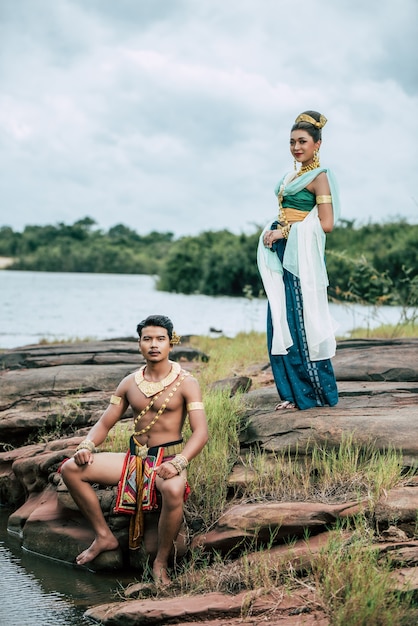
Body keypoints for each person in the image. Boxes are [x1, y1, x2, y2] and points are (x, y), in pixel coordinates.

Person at [60, 314, 208, 585]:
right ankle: (104, 536)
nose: (154, 344)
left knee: (174, 489)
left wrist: (180, 462)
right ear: (139, 344)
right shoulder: (129, 383)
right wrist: (86, 445)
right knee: (71, 469)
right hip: (135, 458)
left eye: (160, 339)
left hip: (170, 457)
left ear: (170, 343)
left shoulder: (187, 382)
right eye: (147, 338)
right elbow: (105, 422)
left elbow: (201, 432)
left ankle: (160, 562)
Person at [257, 110, 341, 411]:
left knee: (299, 324)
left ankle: (313, 395)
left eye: (303, 141)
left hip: (299, 259)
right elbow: (284, 214)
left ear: (317, 144)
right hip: (281, 254)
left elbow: (327, 223)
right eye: (292, 141)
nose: (296, 147)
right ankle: (291, 393)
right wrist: (273, 231)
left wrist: (286, 232)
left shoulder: (319, 178)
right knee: (278, 321)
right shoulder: (291, 177)